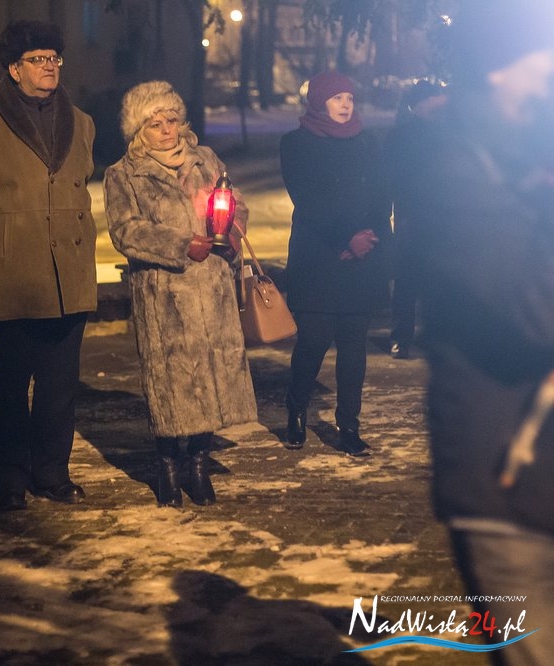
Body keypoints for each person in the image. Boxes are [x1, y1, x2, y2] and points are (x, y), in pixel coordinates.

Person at [411, 2, 554, 661]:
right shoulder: (452, 169)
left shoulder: (530, 158)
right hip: (503, 489)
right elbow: (535, 309)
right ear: (500, 68)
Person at [0, 20, 97, 512]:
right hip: (15, 277)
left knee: (60, 386)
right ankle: (8, 475)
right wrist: (0, 237)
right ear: (14, 69)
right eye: (38, 59)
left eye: (54, 57)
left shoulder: (82, 123)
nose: (50, 66)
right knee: (12, 385)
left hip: (71, 275)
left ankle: (52, 472)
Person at [103, 81, 257, 508]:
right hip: (165, 297)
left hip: (212, 288)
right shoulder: (123, 174)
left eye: (171, 120)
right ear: (139, 130)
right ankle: (168, 466)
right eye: (155, 124)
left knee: (210, 379)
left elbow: (236, 203)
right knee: (171, 387)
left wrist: (229, 229)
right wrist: (179, 244)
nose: (167, 130)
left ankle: (199, 464)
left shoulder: (205, 160)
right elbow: (125, 230)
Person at [279, 71, 392, 457]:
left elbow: (381, 194)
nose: (345, 105)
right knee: (313, 341)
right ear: (318, 101)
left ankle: (349, 425)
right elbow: (308, 199)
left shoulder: (367, 142)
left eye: (349, 98)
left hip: (361, 259)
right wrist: (346, 238)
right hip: (318, 258)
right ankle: (296, 409)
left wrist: (371, 237)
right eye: (337, 98)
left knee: (353, 346)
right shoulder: (296, 143)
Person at [383, 80, 448, 360]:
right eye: (432, 99)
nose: (438, 104)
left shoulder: (451, 133)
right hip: (413, 216)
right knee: (407, 279)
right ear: (418, 105)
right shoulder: (402, 136)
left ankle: (439, 337)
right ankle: (401, 336)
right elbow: (390, 178)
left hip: (445, 218)